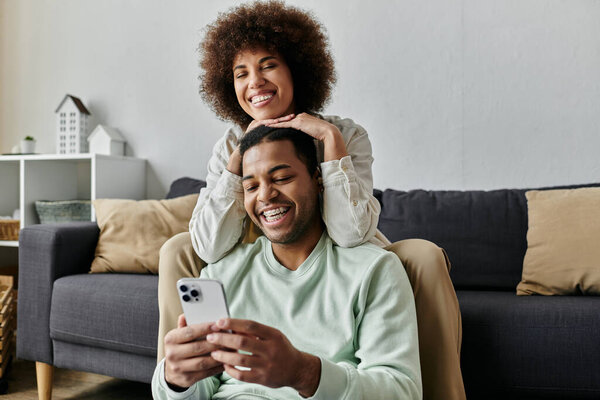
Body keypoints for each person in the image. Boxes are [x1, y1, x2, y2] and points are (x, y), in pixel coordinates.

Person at [157, 2, 466, 399]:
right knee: (176, 251)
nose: (255, 82)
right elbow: (209, 245)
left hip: (337, 243)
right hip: (254, 242)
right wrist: (243, 158)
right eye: (241, 73)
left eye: (267, 66)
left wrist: (330, 144)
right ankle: (185, 364)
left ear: (295, 70)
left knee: (422, 256)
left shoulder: (344, 134)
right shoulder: (230, 148)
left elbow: (350, 233)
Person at [152, 126, 422, 400]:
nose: (265, 196)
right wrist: (175, 381)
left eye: (281, 178)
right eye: (251, 186)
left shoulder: (374, 270)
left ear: (319, 179)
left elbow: (401, 391)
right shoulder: (221, 273)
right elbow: (202, 387)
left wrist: (303, 372)